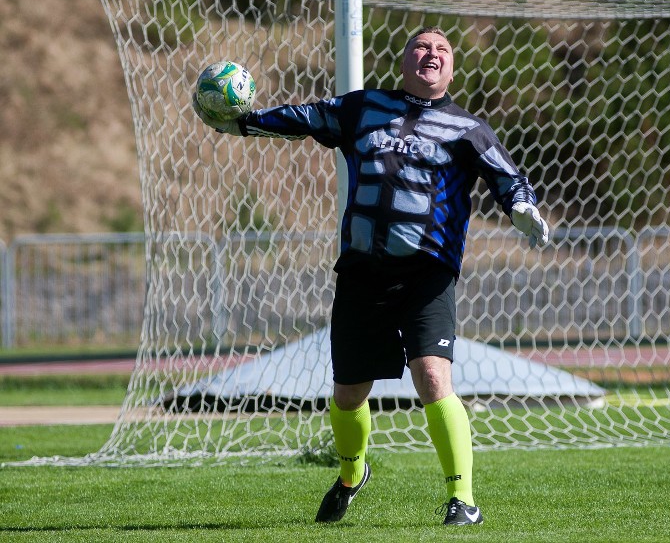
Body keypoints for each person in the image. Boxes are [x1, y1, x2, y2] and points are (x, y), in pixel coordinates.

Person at [193, 27, 549, 526]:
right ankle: (350, 474)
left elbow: (507, 177)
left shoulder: (468, 129)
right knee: (348, 393)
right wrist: (245, 124)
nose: (432, 54)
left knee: (431, 377)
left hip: (428, 275)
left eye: (442, 50)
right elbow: (305, 118)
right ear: (405, 62)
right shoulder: (362, 108)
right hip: (362, 274)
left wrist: (523, 207)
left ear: (450, 69)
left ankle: (462, 501)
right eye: (422, 48)